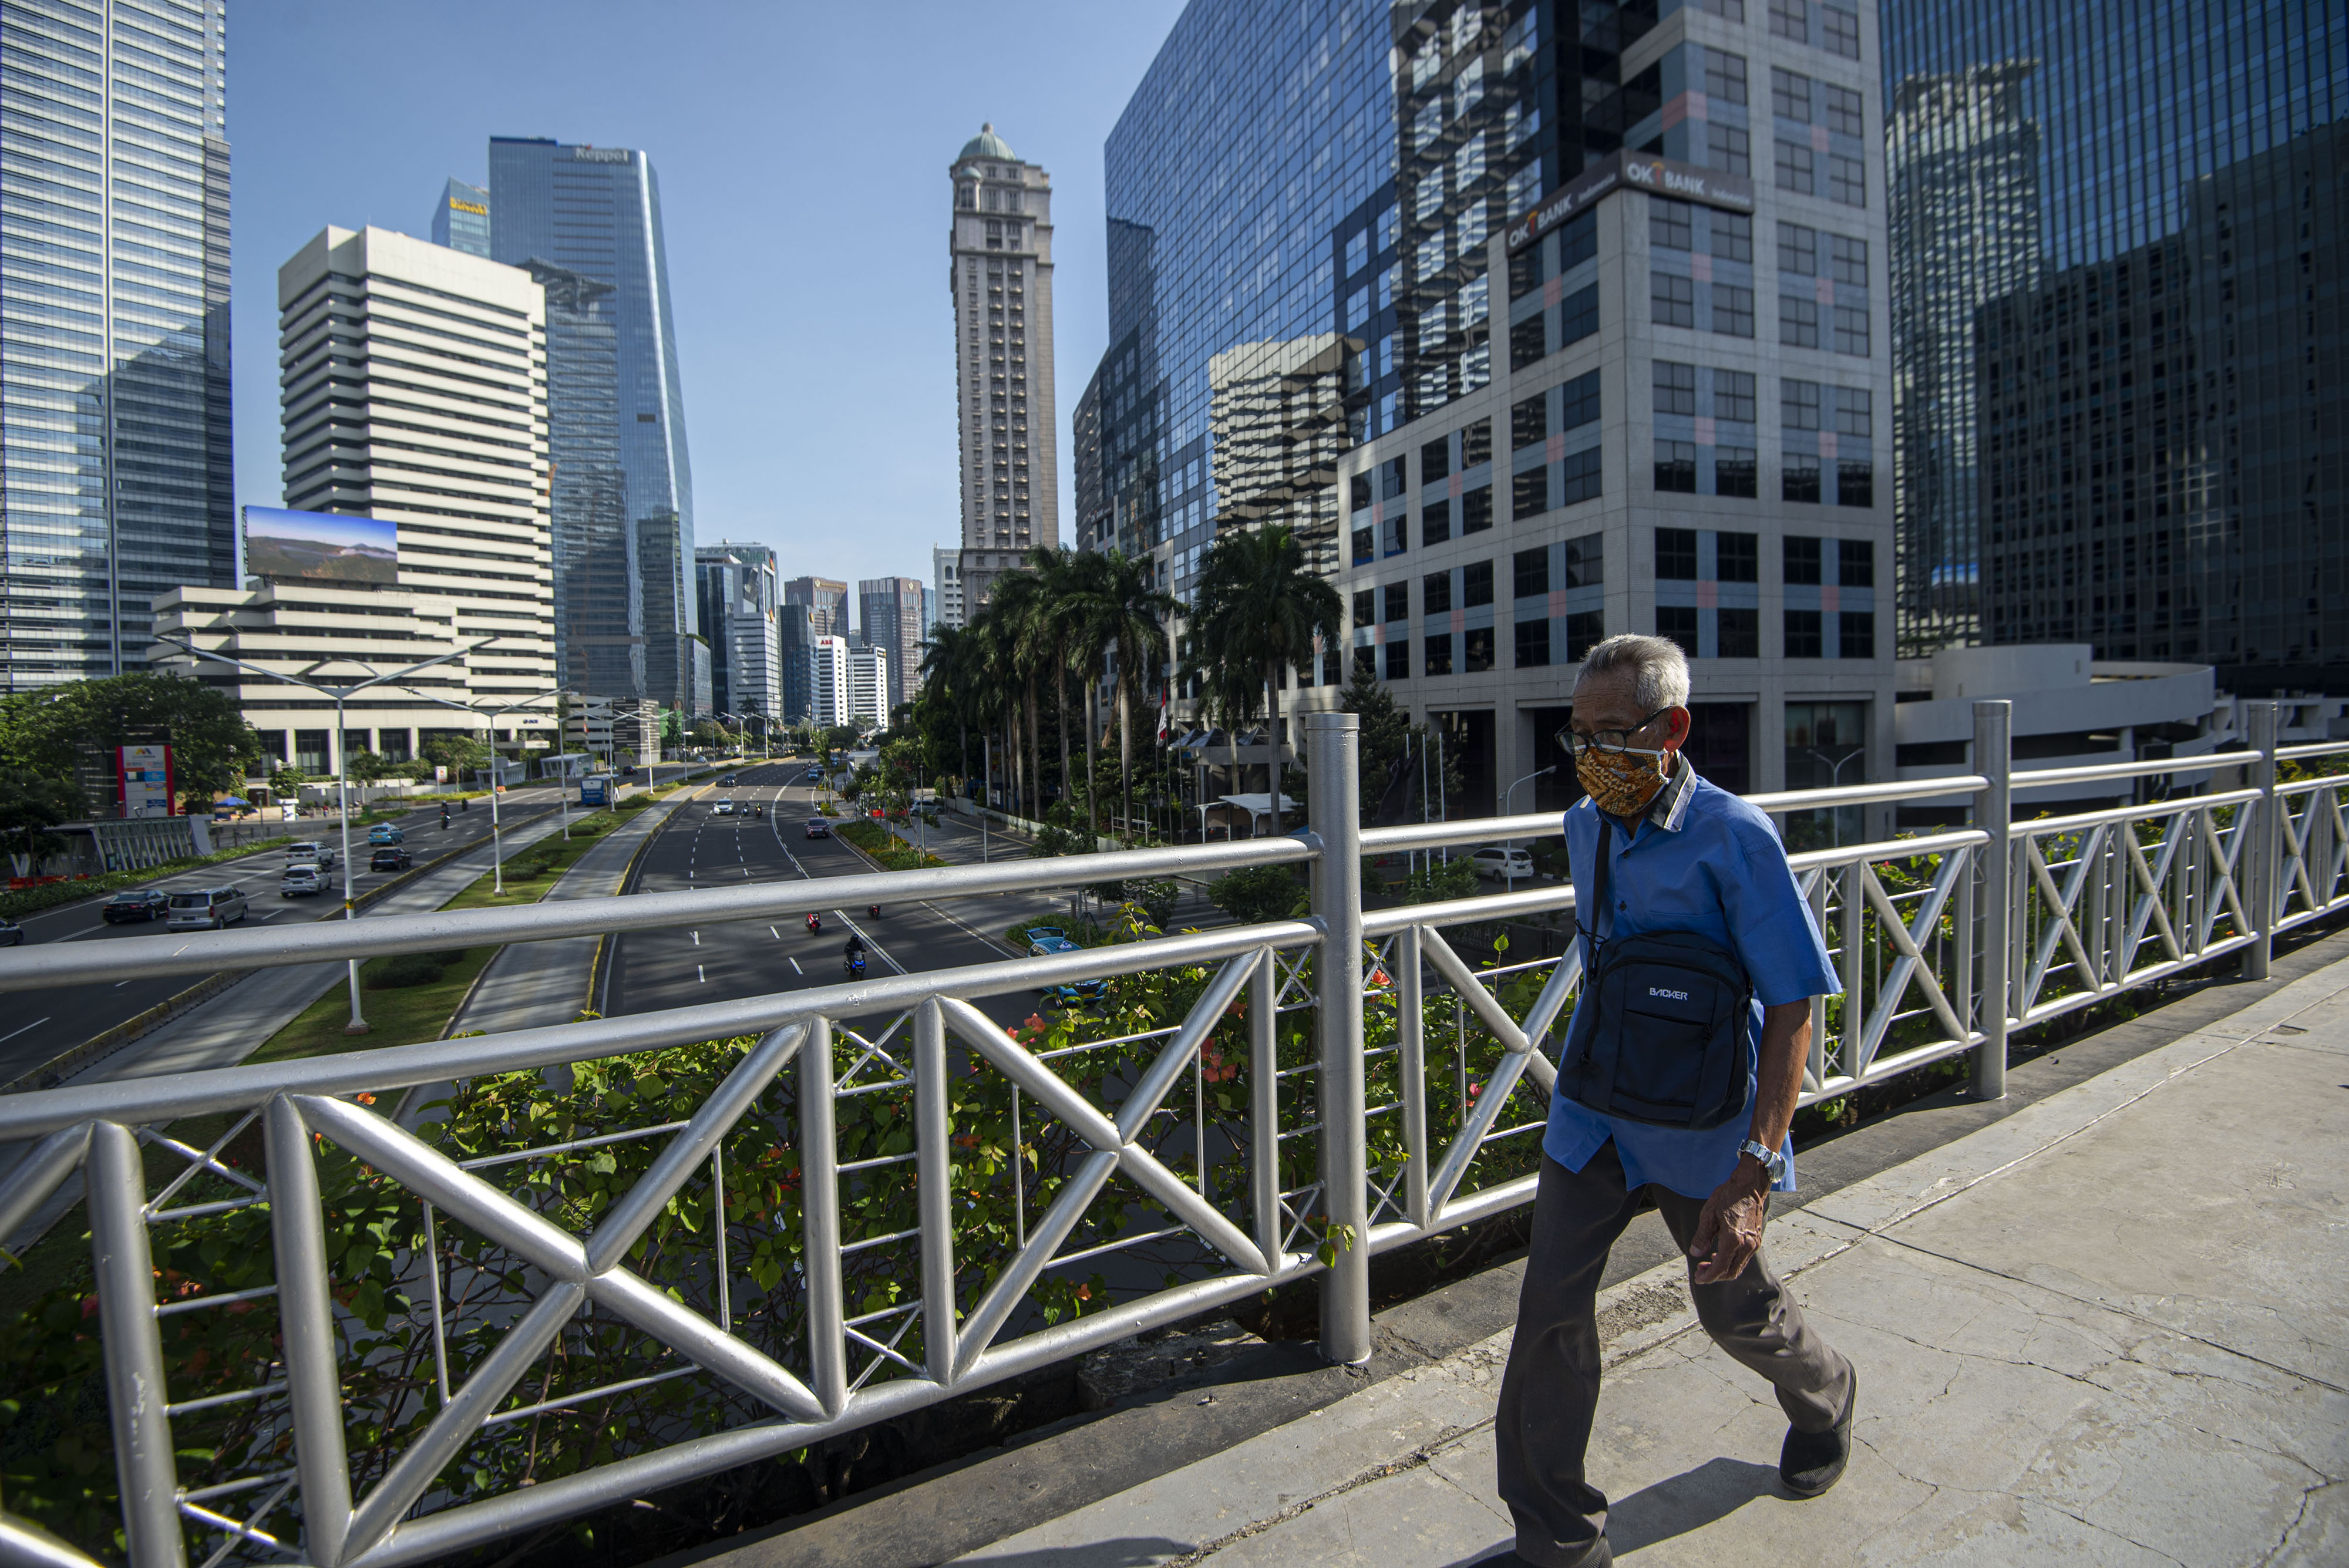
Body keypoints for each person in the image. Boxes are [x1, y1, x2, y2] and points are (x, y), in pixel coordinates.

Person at [1492, 635, 1854, 1568]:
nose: (1592, 758)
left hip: (1703, 1134)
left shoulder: (1738, 836)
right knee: (1548, 1320)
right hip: (1596, 1114)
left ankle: (1827, 1393)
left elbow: (1792, 1007)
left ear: (1673, 728)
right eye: (1578, 736)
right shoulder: (1586, 827)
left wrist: (1756, 1170)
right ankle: (1559, 1539)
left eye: (1613, 734)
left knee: (1738, 1312)